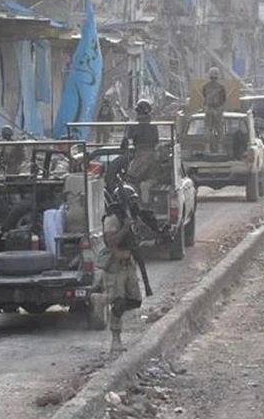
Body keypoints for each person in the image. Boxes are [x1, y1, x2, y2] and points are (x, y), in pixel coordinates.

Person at [101, 185, 143, 353]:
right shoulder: (112, 219)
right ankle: (115, 339)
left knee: (135, 300)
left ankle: (102, 300)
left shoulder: (130, 217)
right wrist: (125, 228)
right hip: (115, 265)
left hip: (128, 263)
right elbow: (110, 241)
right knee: (118, 302)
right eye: (131, 201)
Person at [125, 100, 160, 184]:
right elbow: (156, 140)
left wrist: (129, 125)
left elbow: (129, 135)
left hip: (141, 153)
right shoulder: (153, 124)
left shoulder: (136, 124)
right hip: (152, 153)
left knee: (130, 177)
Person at [202, 67, 227, 153]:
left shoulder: (205, 86)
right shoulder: (221, 87)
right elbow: (223, 99)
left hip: (209, 109)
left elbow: (204, 95)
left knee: (207, 128)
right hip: (218, 109)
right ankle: (220, 148)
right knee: (219, 129)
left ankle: (207, 148)